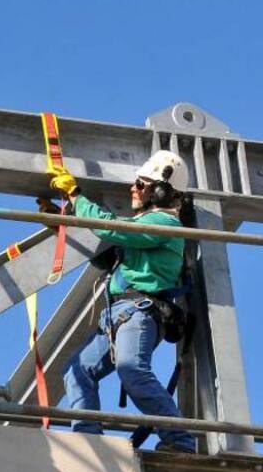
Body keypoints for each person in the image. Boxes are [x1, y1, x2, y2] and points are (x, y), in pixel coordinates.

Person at [47, 151, 197, 453]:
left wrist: (76, 195)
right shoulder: (145, 228)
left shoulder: (163, 223)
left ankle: (181, 441)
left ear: (159, 190)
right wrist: (60, 220)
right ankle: (88, 441)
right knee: (77, 371)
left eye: (139, 184)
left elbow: (110, 227)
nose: (133, 189)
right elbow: (107, 251)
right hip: (116, 318)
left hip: (138, 313)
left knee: (132, 370)